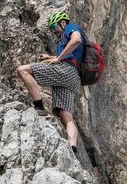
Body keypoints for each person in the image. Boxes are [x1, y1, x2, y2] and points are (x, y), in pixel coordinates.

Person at [16, 10, 84, 154]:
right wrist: (50, 57)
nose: (53, 31)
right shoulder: (62, 41)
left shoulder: (71, 28)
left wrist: (58, 59)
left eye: (54, 27)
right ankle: (73, 148)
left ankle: (40, 108)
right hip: (73, 79)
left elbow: (76, 40)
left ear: (63, 23)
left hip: (66, 70)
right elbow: (70, 55)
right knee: (65, 116)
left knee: (23, 70)